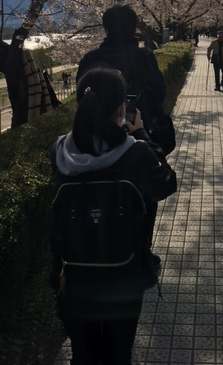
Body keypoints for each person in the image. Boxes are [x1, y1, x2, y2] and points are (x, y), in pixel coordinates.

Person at [50, 66, 177, 365]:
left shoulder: (60, 149)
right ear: (122, 108)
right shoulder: (135, 152)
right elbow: (166, 183)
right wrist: (142, 134)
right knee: (118, 354)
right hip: (124, 274)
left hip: (75, 275)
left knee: (83, 355)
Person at [76, 4, 167, 268]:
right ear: (134, 27)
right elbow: (159, 95)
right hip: (136, 136)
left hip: (94, 140)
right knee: (144, 196)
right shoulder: (144, 57)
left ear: (105, 27)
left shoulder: (90, 59)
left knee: (97, 197)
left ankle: (99, 251)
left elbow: (80, 100)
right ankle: (140, 252)